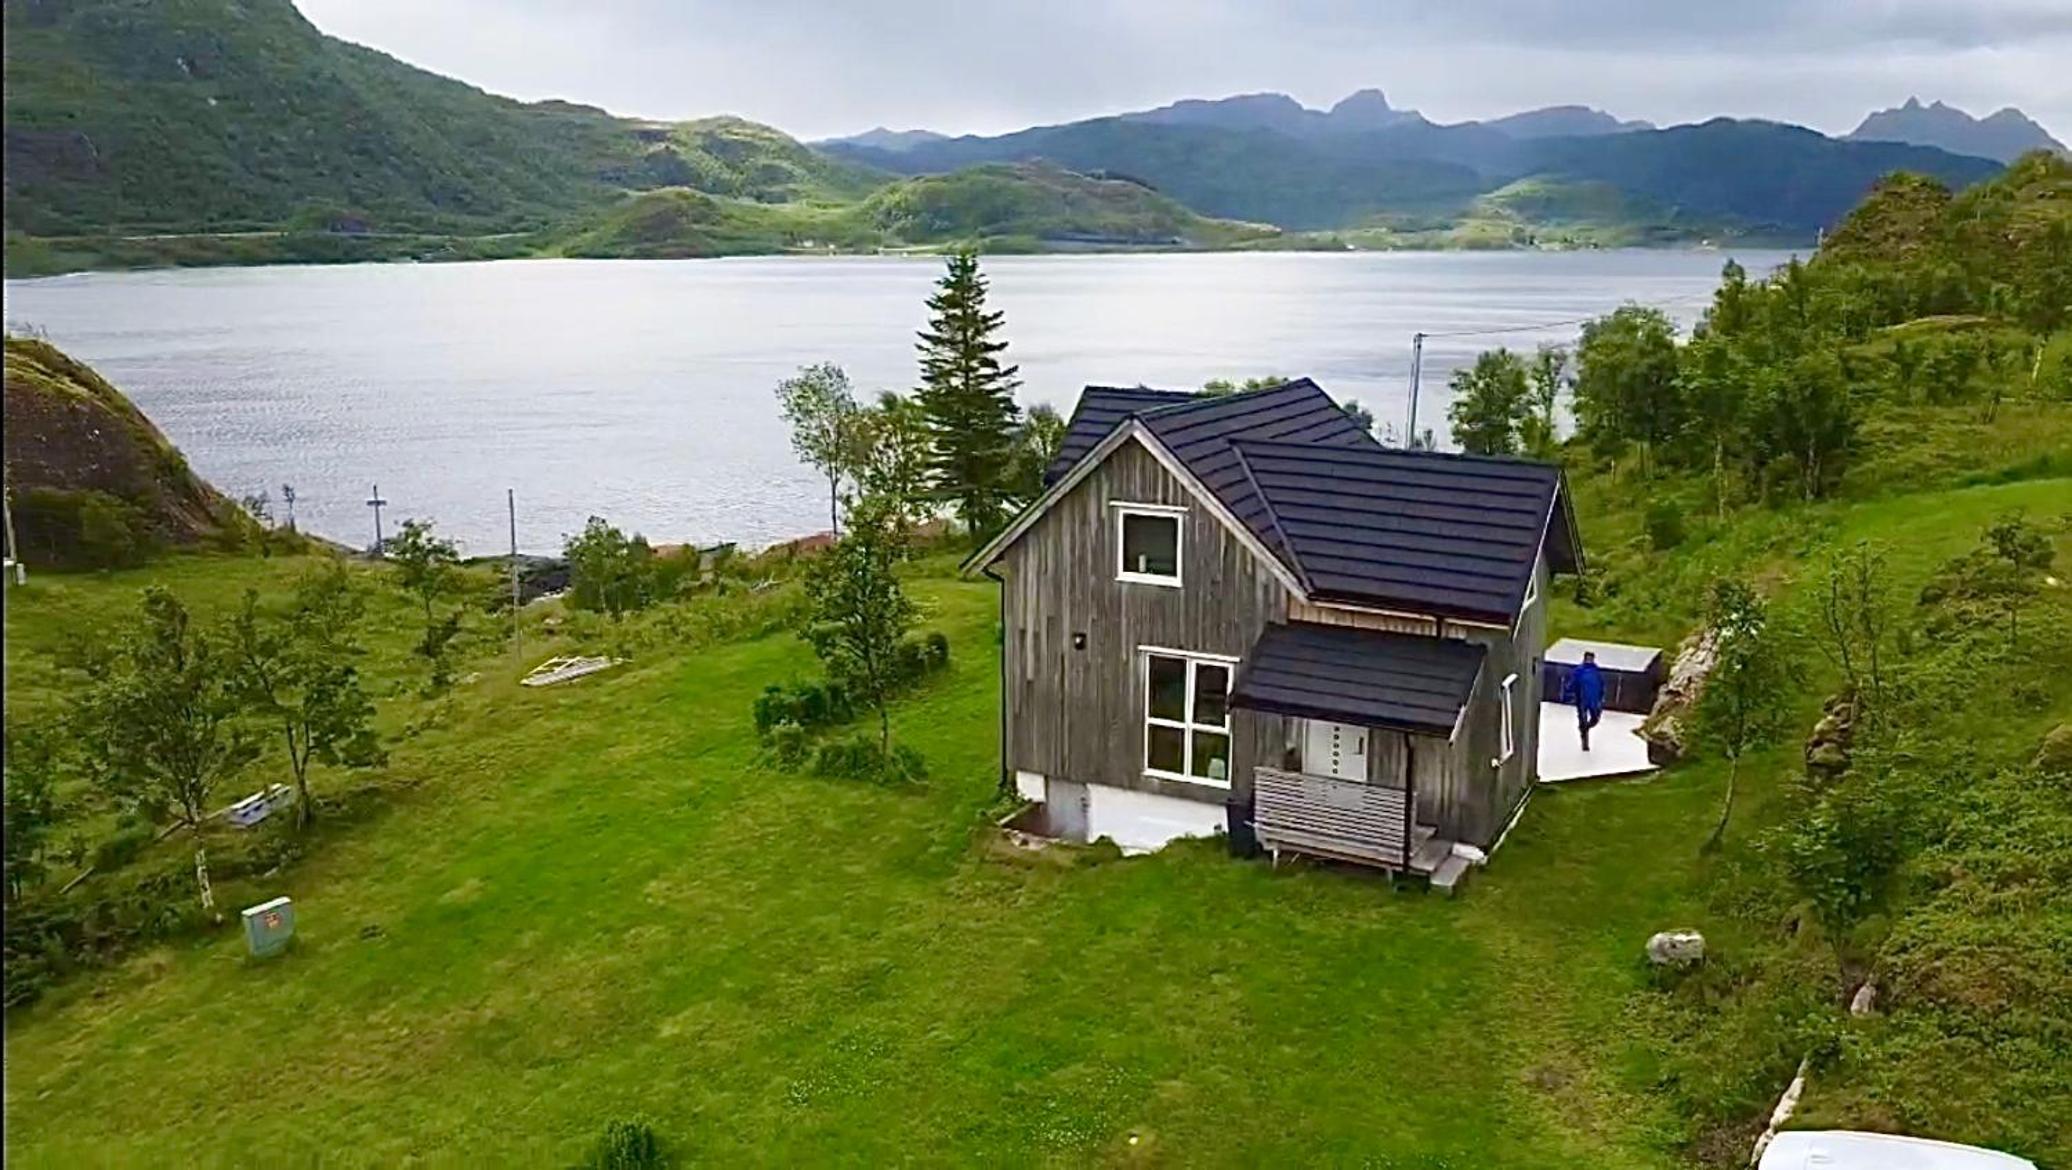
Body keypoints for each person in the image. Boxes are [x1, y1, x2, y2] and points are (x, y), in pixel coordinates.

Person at [1563, 650, 1606, 751]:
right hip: (1582, 700)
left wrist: (1601, 697)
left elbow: (1602, 685)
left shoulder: (1596, 671)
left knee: (1594, 719)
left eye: (1591, 658)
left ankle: (1585, 728)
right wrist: (1568, 692)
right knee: (1583, 720)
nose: (1589, 660)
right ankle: (1585, 743)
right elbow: (1573, 683)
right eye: (1588, 658)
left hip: (1594, 700)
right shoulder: (1580, 670)